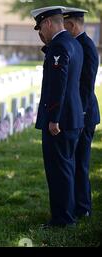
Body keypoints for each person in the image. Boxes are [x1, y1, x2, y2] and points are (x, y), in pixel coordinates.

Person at [31, 6, 84, 228]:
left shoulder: (59, 46)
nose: (41, 32)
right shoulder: (74, 43)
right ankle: (67, 214)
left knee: (58, 170)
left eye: (41, 27)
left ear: (48, 23)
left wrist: (53, 118)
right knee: (67, 168)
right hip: (72, 117)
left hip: (61, 121)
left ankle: (62, 219)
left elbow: (58, 84)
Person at [63, 7, 100, 219]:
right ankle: (77, 204)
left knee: (81, 162)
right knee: (74, 161)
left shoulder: (86, 46)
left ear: (72, 25)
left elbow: (86, 86)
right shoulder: (76, 44)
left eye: (64, 24)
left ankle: (83, 207)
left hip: (84, 113)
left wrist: (81, 113)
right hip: (78, 112)